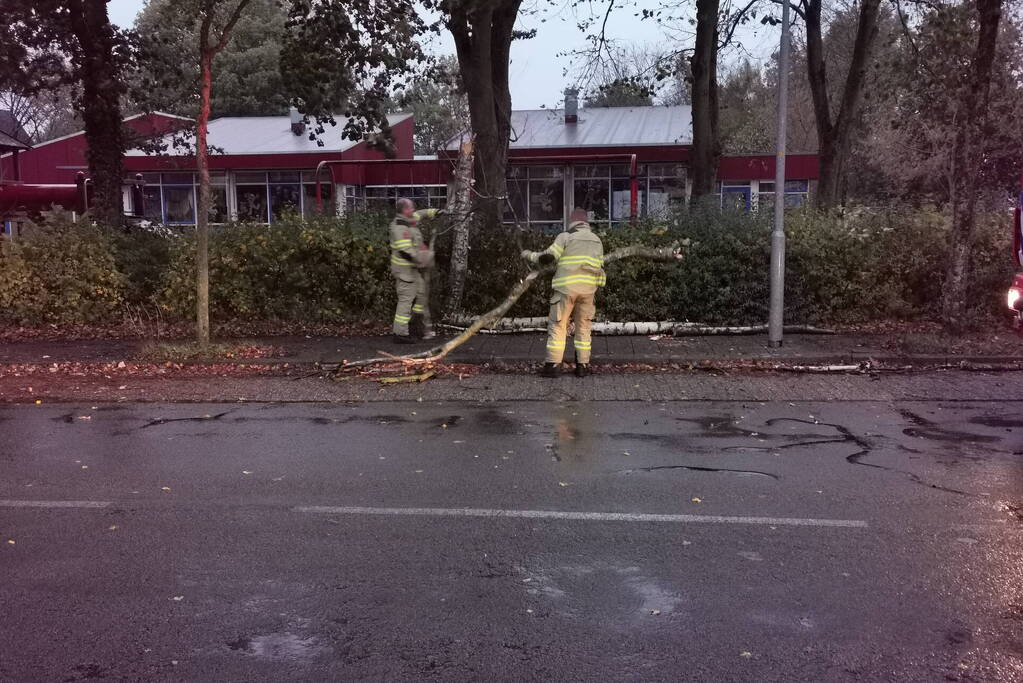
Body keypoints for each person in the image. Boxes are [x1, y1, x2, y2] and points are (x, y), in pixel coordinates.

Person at [521, 207, 606, 377]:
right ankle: (582, 366)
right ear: (586, 222)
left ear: (572, 220)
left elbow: (547, 257)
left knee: (558, 326)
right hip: (588, 290)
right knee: (584, 327)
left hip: (565, 289)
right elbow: (600, 267)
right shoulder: (597, 240)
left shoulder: (566, 237)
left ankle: (553, 366)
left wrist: (528, 254)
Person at [390, 197, 439, 344]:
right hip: (405, 272)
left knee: (421, 295)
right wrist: (424, 258)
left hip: (413, 270)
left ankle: (414, 325)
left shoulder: (409, 218)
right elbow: (406, 251)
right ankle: (400, 334)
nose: (414, 210)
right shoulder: (399, 227)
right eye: (411, 207)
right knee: (406, 300)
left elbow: (421, 214)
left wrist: (434, 212)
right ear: (405, 210)